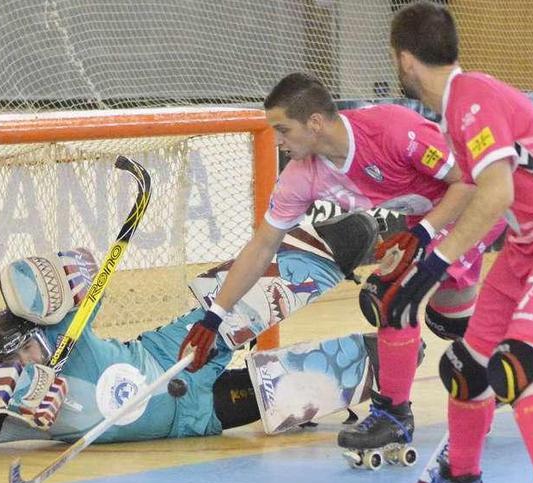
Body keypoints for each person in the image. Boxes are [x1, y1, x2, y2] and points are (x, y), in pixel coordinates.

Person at [176, 72, 505, 458]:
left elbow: (467, 181)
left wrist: (423, 236)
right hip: (427, 220)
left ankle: (394, 415)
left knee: (391, 293)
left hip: (482, 202)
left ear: (315, 123)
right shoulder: (301, 178)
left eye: (283, 130)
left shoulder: (393, 129)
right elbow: (263, 246)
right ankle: (506, 362)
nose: (278, 141)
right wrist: (214, 317)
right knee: (445, 320)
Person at [388, 3, 533, 483]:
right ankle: (460, 482)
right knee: (465, 369)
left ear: (404, 61)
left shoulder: (470, 99)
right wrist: (426, 252)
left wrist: (433, 267)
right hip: (527, 246)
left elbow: (497, 193)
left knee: (517, 367)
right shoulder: (458, 109)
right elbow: (486, 200)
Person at [0, 249, 262, 451]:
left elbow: (87, 267)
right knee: (290, 389)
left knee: (257, 289)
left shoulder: (62, 332)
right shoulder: (20, 396)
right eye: (16, 360)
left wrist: (63, 277)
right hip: (190, 417)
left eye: (28, 347)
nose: (28, 359)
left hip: (168, 351)